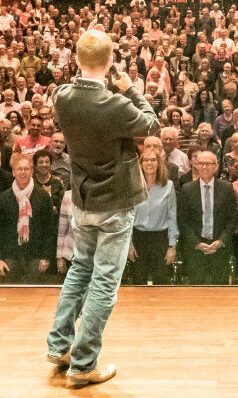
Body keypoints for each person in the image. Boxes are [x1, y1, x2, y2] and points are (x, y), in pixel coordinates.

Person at [47, 26, 159, 386]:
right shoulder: (116, 103)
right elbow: (152, 123)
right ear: (111, 62)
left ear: (76, 60)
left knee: (81, 268)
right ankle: (82, 365)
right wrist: (130, 88)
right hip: (114, 202)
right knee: (104, 282)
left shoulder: (62, 96)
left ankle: (59, 346)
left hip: (82, 199)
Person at [177, 151, 238, 285]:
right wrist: (196, 243)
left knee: (219, 292)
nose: (204, 167)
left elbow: (232, 219)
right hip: (195, 250)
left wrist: (221, 241)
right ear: (196, 165)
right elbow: (183, 221)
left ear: (216, 166)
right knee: (196, 293)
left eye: (208, 164)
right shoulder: (187, 189)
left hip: (219, 249)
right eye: (201, 163)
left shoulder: (227, 188)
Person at [0, 154, 54, 283]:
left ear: (32, 172)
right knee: (10, 296)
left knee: (34, 297)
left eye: (26, 169)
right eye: (19, 169)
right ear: (13, 172)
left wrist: (46, 257)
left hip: (36, 256)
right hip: (10, 256)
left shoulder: (43, 197)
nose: (23, 172)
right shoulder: (3, 198)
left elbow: (50, 229)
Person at [128, 145, 178, 285]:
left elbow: (172, 217)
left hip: (160, 239)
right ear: (141, 163)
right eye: (146, 160)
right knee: (138, 281)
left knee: (161, 282)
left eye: (153, 160)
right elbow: (127, 218)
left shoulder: (168, 186)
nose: (149, 163)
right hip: (138, 239)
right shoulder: (132, 186)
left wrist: (172, 246)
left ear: (159, 163)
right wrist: (129, 245)